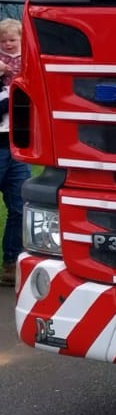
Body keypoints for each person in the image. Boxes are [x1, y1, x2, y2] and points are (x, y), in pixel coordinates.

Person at [0, 18, 29, 287]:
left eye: (12, 41)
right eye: (3, 42)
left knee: (20, 206)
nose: (8, 45)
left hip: (17, 143)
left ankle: (10, 262)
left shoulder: (25, 63)